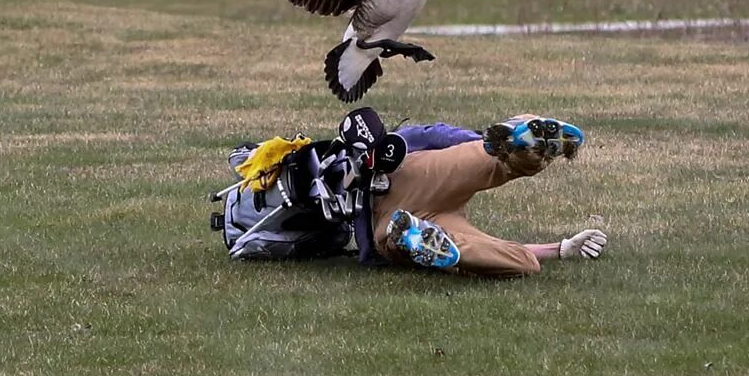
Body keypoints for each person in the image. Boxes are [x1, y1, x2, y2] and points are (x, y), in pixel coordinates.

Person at [212, 108, 608, 278]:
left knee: (481, 248)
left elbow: (364, 254)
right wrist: (472, 141)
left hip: (401, 215)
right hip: (406, 196)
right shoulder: (382, 149)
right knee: (519, 256)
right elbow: (431, 135)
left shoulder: (364, 156)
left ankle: (516, 145)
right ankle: (516, 143)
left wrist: (563, 247)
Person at [369, 115, 607, 277]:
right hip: (402, 206)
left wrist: (562, 249)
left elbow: (426, 135)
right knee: (525, 262)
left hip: (409, 198)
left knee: (526, 261)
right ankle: (521, 141)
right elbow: (432, 134)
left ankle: (519, 141)